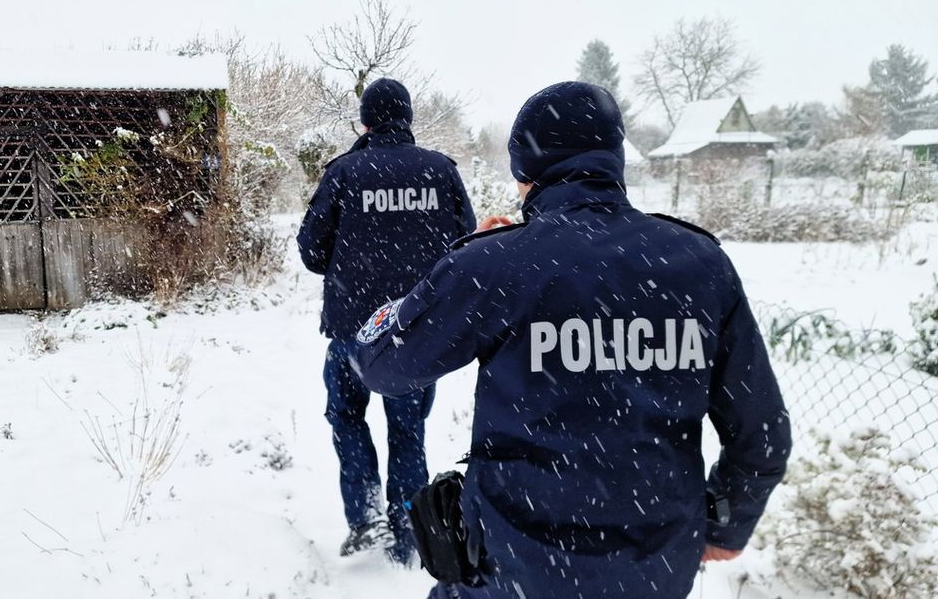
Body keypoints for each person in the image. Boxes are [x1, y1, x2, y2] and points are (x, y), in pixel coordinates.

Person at [354, 81, 791, 598]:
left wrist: (455, 264)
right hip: (655, 569)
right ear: (615, 159)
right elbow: (761, 432)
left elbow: (381, 362)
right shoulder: (700, 263)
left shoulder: (496, 264)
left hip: (517, 570)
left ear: (525, 172)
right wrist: (725, 526)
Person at [297, 78, 477, 564]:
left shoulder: (344, 172)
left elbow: (312, 252)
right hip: (415, 330)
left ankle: (365, 516)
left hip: (354, 328)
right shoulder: (441, 172)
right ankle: (408, 533)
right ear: (409, 118)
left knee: (347, 416)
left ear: (366, 120)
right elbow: (467, 245)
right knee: (407, 431)